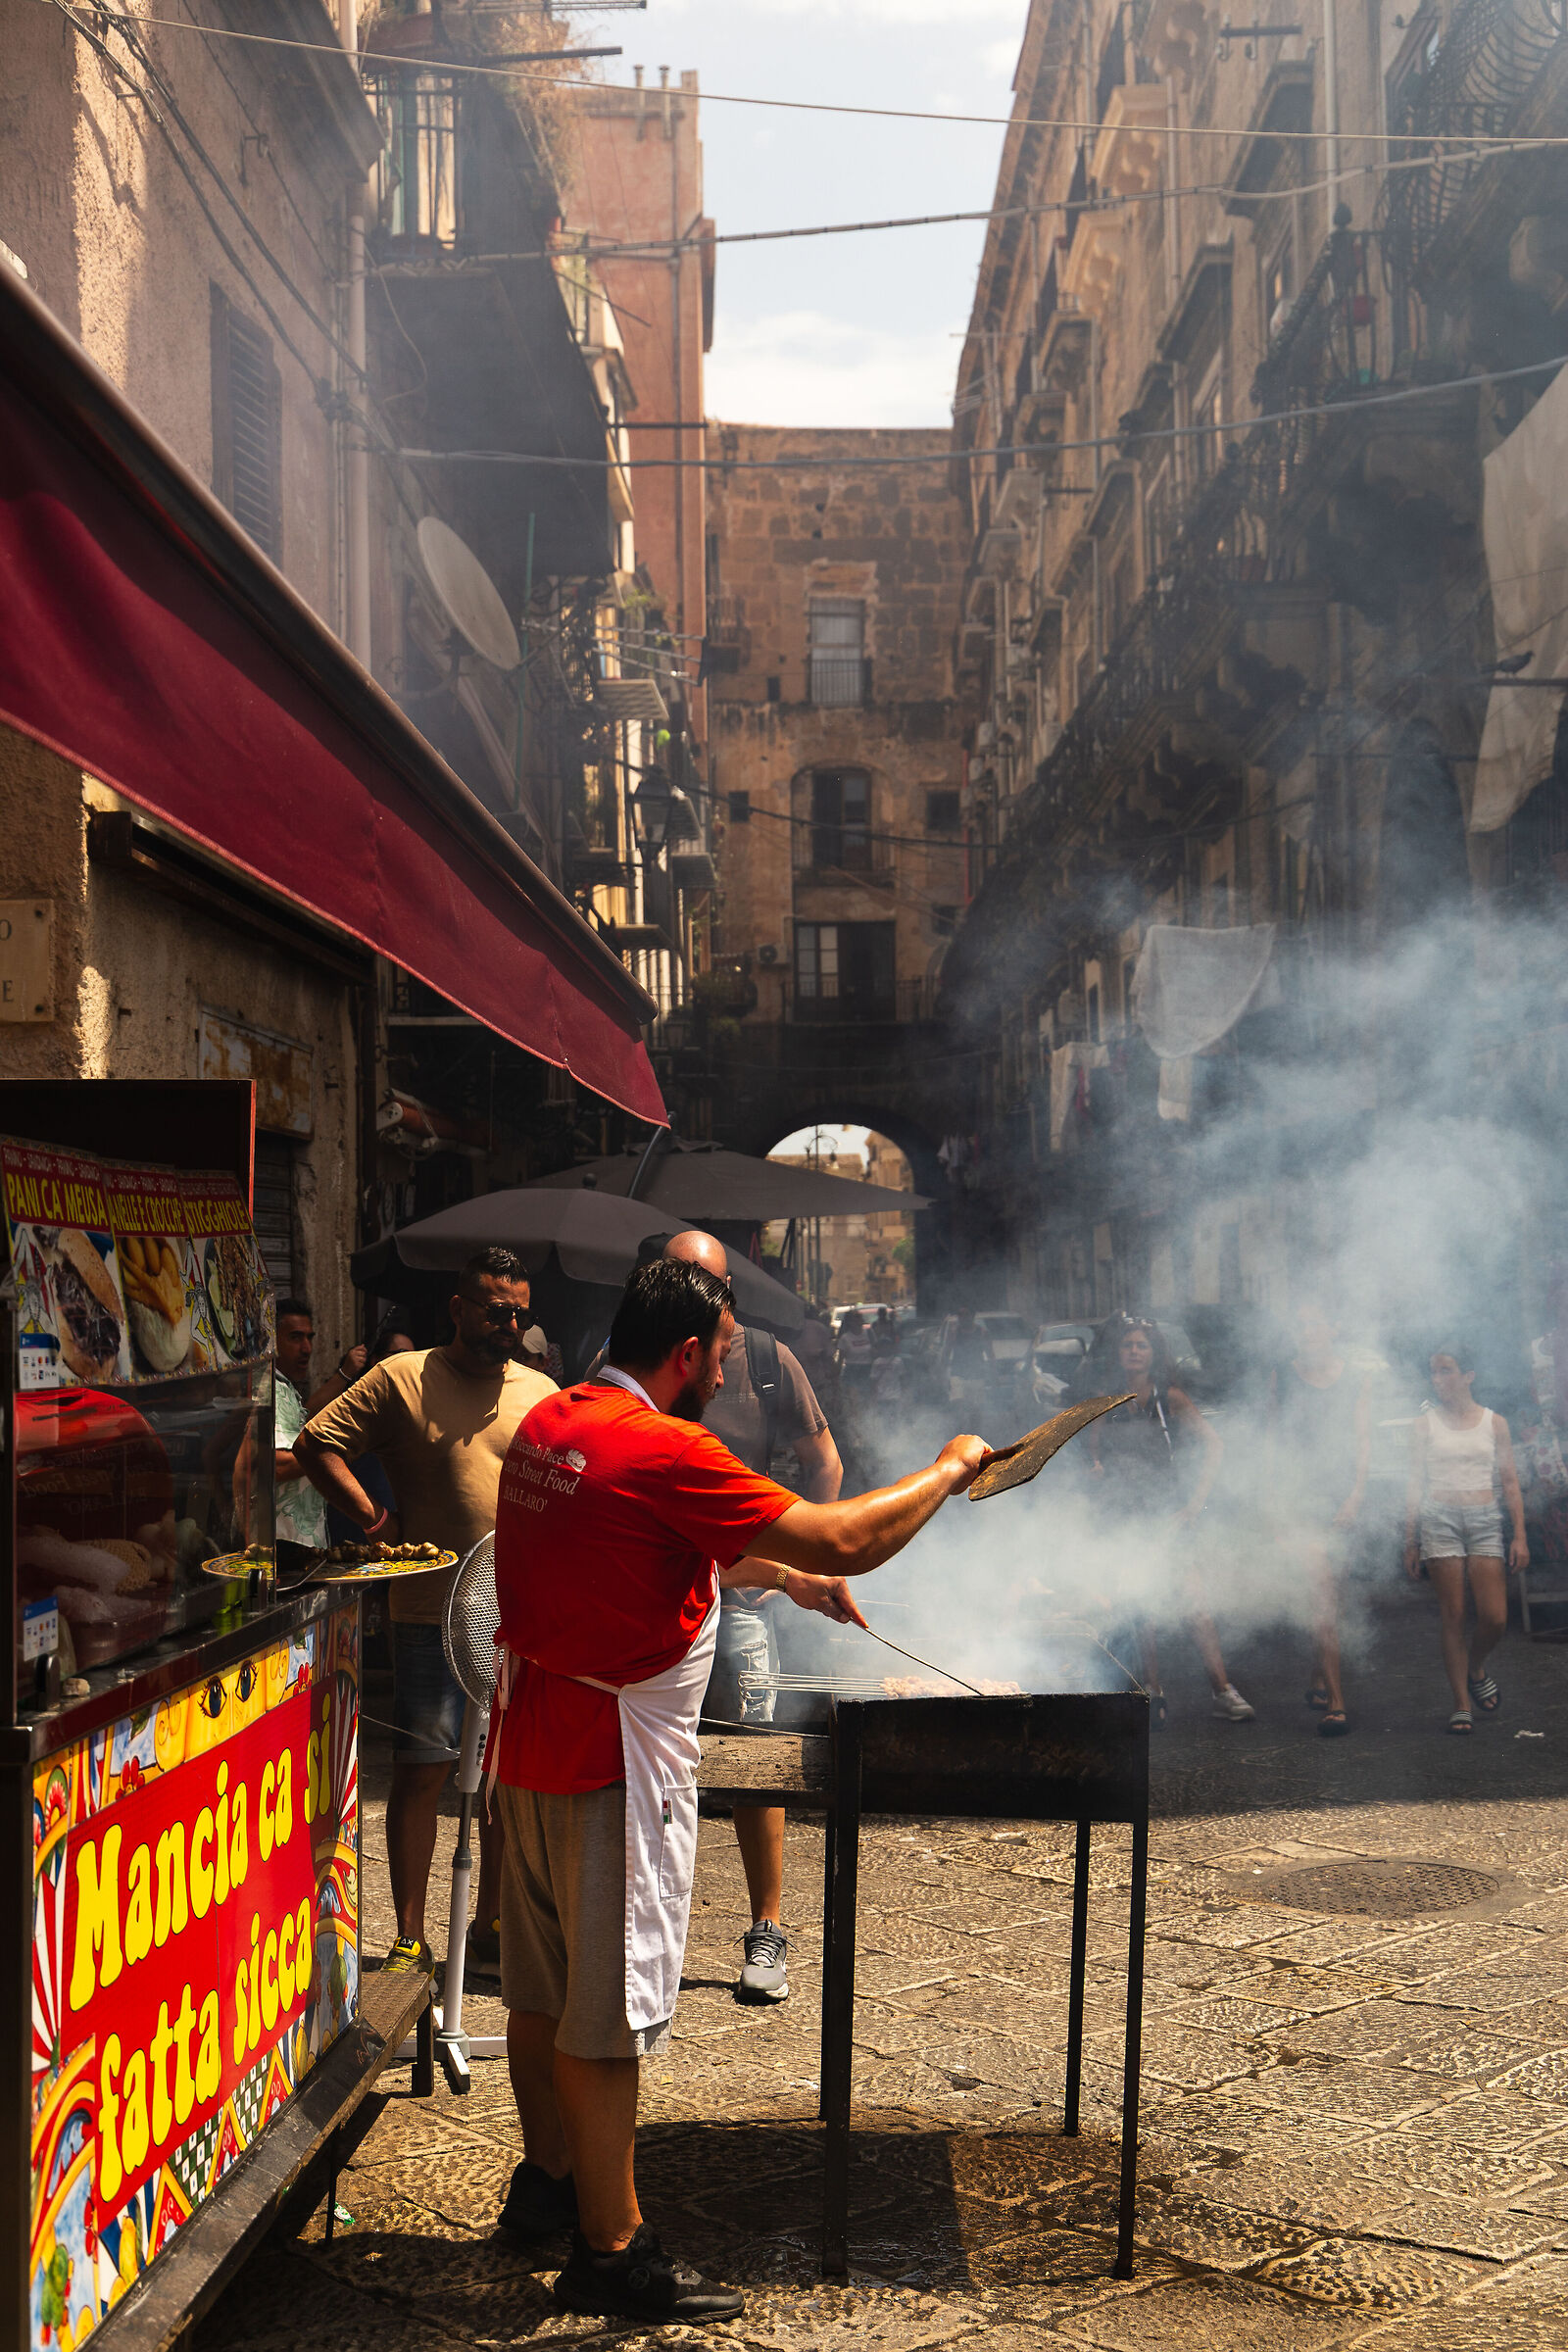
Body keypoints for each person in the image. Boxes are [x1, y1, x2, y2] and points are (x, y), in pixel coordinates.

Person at [486, 1257, 989, 2323]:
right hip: (607, 1766)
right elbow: (848, 1534)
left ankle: (547, 2185)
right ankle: (612, 2252)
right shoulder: (669, 1447)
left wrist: (782, 1576)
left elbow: (633, 1541)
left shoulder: (553, 1423)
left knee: (538, 1993)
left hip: (524, 1748)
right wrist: (948, 1469)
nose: (726, 1375)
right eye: (721, 1357)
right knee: (605, 2019)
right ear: (686, 1354)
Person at [295, 1246, 555, 1974]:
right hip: (427, 1615)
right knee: (422, 1770)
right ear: (457, 1309)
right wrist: (375, 1520)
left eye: (520, 1314)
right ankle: (409, 1936)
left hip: (517, 1620)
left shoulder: (541, 1392)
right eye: (496, 1311)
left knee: (508, 1780)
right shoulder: (402, 1378)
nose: (509, 1326)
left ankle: (491, 1924)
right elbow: (316, 1443)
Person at [660, 1231, 842, 2007]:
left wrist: (800, 1563)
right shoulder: (635, 1359)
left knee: (757, 1758)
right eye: (678, 1279)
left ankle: (766, 1927)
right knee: (651, 1763)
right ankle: (644, 1928)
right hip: (655, 1599)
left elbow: (824, 1464)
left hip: (740, 1599)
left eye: (707, 1285)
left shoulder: (766, 1361)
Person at [1087, 1314, 1252, 1726]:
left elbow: (1214, 1445)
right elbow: (1093, 1452)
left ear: (1154, 1353)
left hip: (1169, 1515)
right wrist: (1097, 1470)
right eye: (1128, 1345)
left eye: (1141, 1345)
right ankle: (1153, 1692)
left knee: (1196, 1606)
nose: (1134, 1351)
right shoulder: (1106, 1402)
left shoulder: (1170, 1398)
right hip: (1126, 1517)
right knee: (1143, 1607)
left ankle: (1222, 1690)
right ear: (1118, 1353)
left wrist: (1196, 1504)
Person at [1404, 1343, 1529, 1733]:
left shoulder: (1495, 1422)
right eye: (1433, 1371)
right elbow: (1413, 1484)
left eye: (1446, 1370)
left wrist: (1520, 1535)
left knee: (1494, 1617)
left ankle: (1475, 1666)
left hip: (1484, 1518)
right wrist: (1411, 1540)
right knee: (1454, 1614)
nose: (1437, 1379)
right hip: (1439, 1519)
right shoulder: (1424, 1424)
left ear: (1468, 1376)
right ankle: (1461, 1702)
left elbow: (1510, 1481)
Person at [1270, 1302, 1372, 1739]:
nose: (1307, 1331)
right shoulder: (1283, 1376)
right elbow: (1273, 1442)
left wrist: (1356, 1495)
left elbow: (1363, 1441)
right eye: (1300, 1324)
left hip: (1342, 1498)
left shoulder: (1355, 1378)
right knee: (1323, 1597)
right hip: (1301, 1498)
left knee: (1335, 1597)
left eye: (1314, 1323)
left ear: (1334, 1327)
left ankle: (1317, 1676)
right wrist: (1277, 1506)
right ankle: (1336, 1702)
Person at [271, 1299, 370, 1576]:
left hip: (299, 1548)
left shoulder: (284, 1388)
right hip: (285, 1553)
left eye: (310, 1337)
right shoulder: (271, 1390)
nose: (307, 1348)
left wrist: (344, 1375)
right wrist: (337, 1452)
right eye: (295, 1337)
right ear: (271, 1340)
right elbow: (278, 1465)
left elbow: (304, 1416)